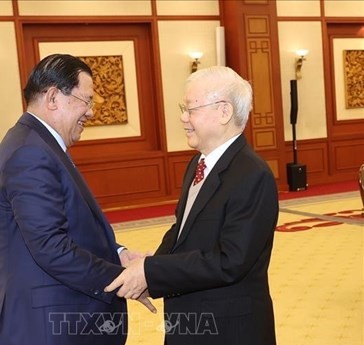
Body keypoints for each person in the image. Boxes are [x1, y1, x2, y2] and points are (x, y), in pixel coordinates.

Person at [0, 53, 154, 345]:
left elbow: (67, 226)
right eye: (86, 100)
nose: (90, 112)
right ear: (53, 97)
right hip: (47, 328)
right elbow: (51, 247)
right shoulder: (31, 153)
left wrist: (119, 253)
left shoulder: (35, 144)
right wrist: (123, 279)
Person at [106, 66, 279, 345]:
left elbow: (230, 262)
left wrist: (151, 272)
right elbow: (182, 230)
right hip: (191, 320)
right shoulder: (198, 163)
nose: (183, 118)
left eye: (190, 109)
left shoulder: (252, 174)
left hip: (228, 329)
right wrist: (151, 266)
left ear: (223, 112)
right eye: (183, 108)